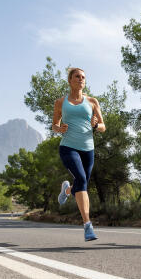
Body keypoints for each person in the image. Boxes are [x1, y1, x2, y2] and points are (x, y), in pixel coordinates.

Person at [52, 67, 105, 241]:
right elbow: (54, 125)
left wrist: (96, 125)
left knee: (81, 184)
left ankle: (67, 190)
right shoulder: (60, 102)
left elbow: (103, 127)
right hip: (68, 147)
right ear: (70, 80)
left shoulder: (92, 101)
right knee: (81, 180)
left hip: (88, 148)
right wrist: (59, 128)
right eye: (77, 76)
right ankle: (87, 225)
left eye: (83, 77)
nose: (81, 79)